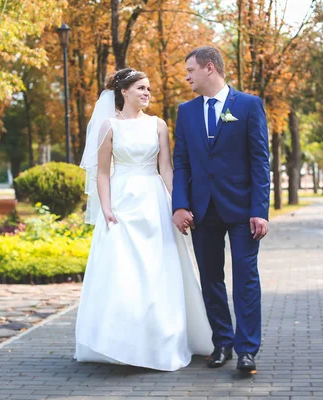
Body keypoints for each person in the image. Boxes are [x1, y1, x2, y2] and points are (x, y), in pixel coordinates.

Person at [74, 68, 213, 371]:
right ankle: (122, 341)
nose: (147, 93)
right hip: (122, 202)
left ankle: (161, 340)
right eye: (141, 88)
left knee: (158, 270)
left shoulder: (158, 125)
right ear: (124, 92)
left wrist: (179, 203)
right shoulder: (109, 126)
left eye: (149, 88)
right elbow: (101, 171)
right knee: (125, 274)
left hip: (153, 202)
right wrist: (106, 207)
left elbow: (165, 167)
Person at [172, 46, 271, 372]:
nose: (186, 76)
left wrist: (260, 209)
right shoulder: (185, 112)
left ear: (209, 68)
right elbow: (181, 163)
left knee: (245, 279)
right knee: (211, 279)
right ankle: (223, 343)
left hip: (243, 210)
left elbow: (260, 161)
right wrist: (180, 205)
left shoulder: (248, 105)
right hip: (203, 210)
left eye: (190, 70)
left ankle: (246, 350)